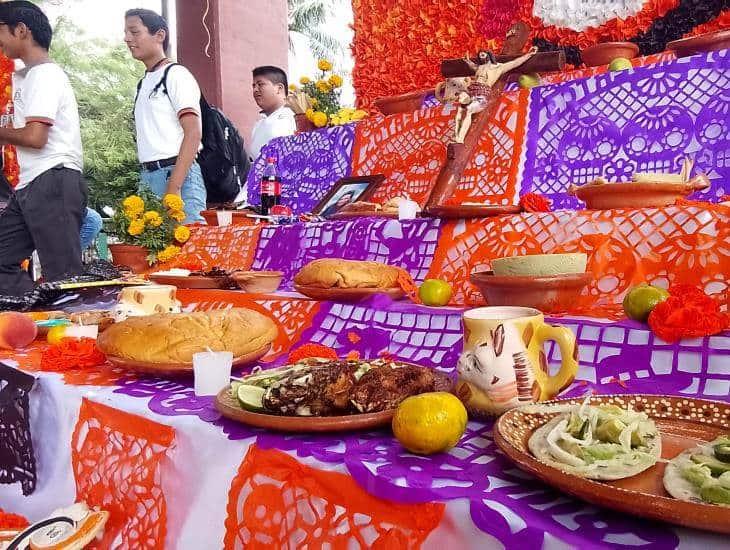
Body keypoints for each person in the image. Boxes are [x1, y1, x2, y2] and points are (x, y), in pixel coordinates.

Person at [0, 1, 86, 296]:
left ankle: (78, 337)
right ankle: (32, 310)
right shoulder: (26, 76)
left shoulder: (46, 74)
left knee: (64, 274)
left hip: (54, 179)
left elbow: (36, 137)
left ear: (21, 30)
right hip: (30, 184)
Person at [124, 8, 205, 224]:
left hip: (176, 175)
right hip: (148, 178)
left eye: (134, 32)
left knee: (188, 251)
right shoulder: (142, 84)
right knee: (155, 255)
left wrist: (174, 187)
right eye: (126, 33)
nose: (127, 39)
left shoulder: (176, 75)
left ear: (159, 35)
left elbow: (193, 132)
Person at [249, 65, 295, 161]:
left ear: (279, 88)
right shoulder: (259, 123)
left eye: (260, 84)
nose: (255, 90)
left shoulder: (295, 118)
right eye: (253, 86)